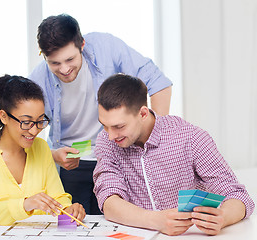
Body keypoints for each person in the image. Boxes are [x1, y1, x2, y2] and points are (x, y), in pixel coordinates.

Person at [28, 14, 173, 214]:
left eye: (70, 59)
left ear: (82, 45)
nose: (64, 69)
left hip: (116, 156)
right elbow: (24, 135)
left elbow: (159, 83)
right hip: (70, 165)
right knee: (73, 226)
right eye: (54, 63)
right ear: (43, 56)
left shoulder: (107, 47)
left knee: (121, 221)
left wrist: (156, 141)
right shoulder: (37, 80)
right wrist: (53, 155)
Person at [93, 73, 255, 236]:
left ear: (143, 114)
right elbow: (109, 201)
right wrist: (156, 221)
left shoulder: (191, 138)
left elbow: (238, 197)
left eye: (118, 126)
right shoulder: (106, 142)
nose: (110, 136)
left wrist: (223, 217)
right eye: (105, 126)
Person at [0, 75, 85, 225]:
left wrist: (68, 209)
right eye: (26, 122)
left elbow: (57, 196)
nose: (34, 131)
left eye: (40, 121)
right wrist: (24, 205)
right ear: (4, 116)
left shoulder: (41, 147)